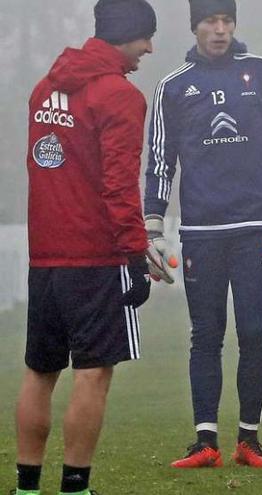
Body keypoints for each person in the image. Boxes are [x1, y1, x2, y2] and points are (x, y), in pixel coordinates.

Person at [144, 0, 262, 469]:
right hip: (201, 231)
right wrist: (153, 223)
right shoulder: (172, 86)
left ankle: (249, 439)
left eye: (226, 21)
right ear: (195, 27)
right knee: (205, 334)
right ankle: (205, 440)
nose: (219, 30)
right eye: (211, 22)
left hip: (257, 228)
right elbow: (159, 161)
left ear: (235, 25)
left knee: (254, 333)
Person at [14, 1, 158, 494]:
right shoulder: (120, 95)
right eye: (145, 38)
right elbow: (119, 186)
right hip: (95, 257)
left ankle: (28, 488)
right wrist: (135, 253)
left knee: (39, 372)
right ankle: (75, 488)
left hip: (45, 256)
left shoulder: (44, 87)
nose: (149, 49)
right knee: (92, 374)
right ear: (127, 34)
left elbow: (40, 167)